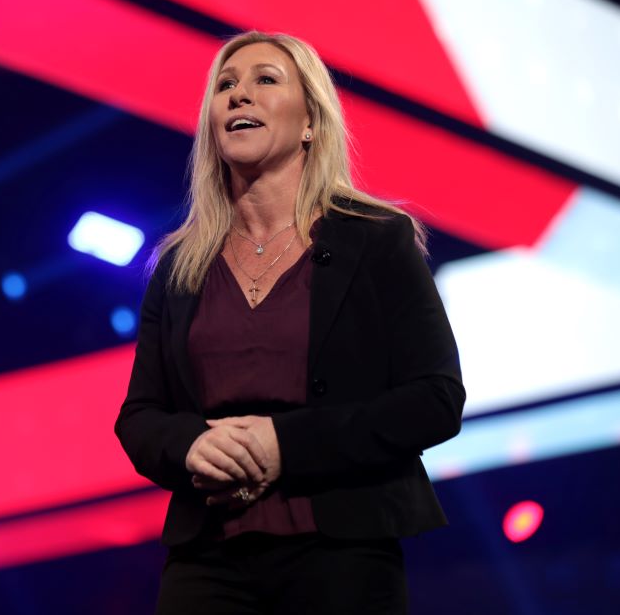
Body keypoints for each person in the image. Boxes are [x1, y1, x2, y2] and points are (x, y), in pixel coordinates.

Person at [114, 30, 466, 614]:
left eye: (264, 81)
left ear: (310, 122)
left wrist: (286, 446)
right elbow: (141, 416)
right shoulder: (179, 263)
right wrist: (191, 445)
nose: (238, 95)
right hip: (208, 560)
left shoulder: (376, 240)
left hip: (342, 553)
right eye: (225, 86)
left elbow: (435, 398)